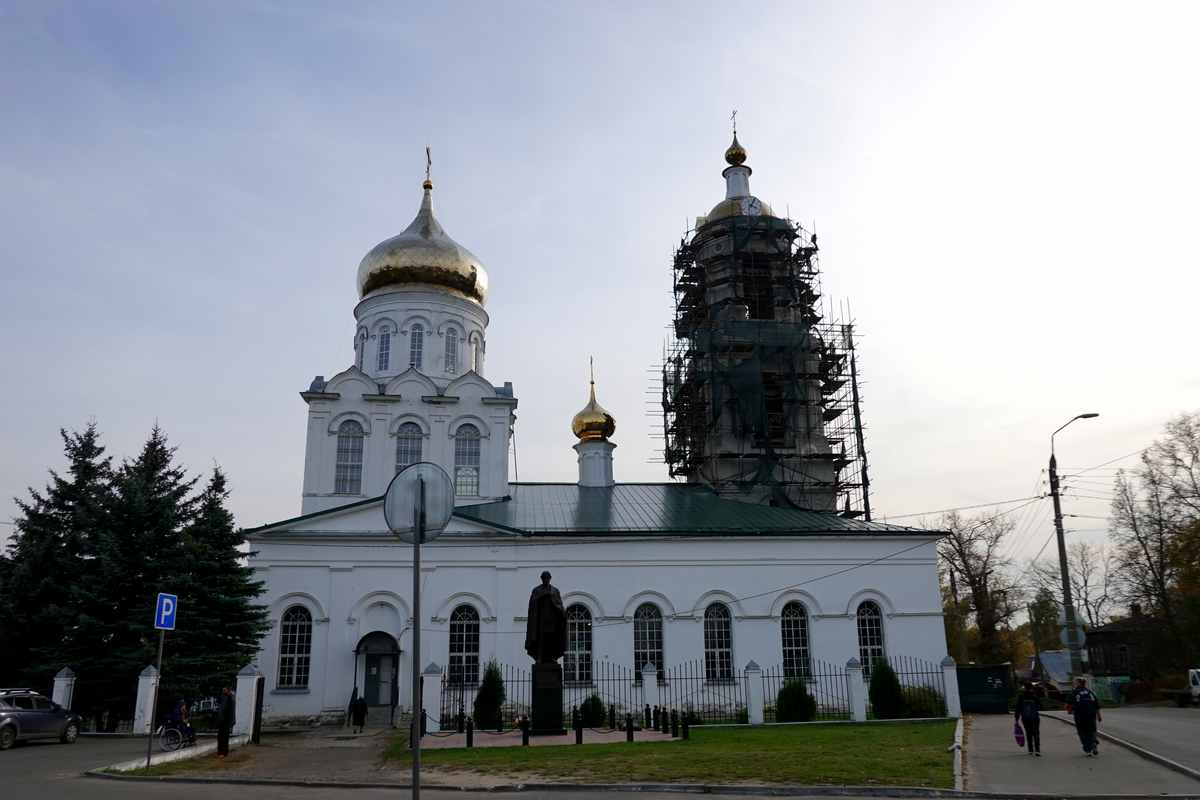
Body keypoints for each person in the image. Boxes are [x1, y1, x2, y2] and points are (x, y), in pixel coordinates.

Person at [1066, 677, 1102, 756]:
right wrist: (1099, 716)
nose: (1074, 684)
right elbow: (1096, 705)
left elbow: (1069, 704)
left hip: (1080, 716)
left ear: (1078, 683)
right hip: (1091, 715)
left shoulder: (1074, 692)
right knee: (1092, 729)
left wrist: (1070, 711)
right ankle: (1094, 743)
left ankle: (1088, 749)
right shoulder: (1090, 692)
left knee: (1082, 732)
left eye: (1074, 682)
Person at [1014, 681, 1042, 756]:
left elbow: (1018, 708)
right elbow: (1040, 706)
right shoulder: (1034, 696)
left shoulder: (1021, 696)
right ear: (1031, 688)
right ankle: (1037, 750)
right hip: (1035, 717)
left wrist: (1016, 718)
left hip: (1025, 717)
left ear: (1024, 688)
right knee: (1036, 733)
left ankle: (1030, 750)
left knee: (1028, 732)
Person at [217, 686, 236, 759]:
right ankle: (221, 752)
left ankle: (223, 752)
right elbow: (221, 709)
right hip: (222, 720)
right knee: (220, 737)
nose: (223, 691)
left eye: (224, 690)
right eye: (223, 690)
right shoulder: (223, 697)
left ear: (228, 690)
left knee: (224, 737)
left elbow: (231, 711)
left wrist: (231, 721)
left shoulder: (230, 698)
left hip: (226, 720)